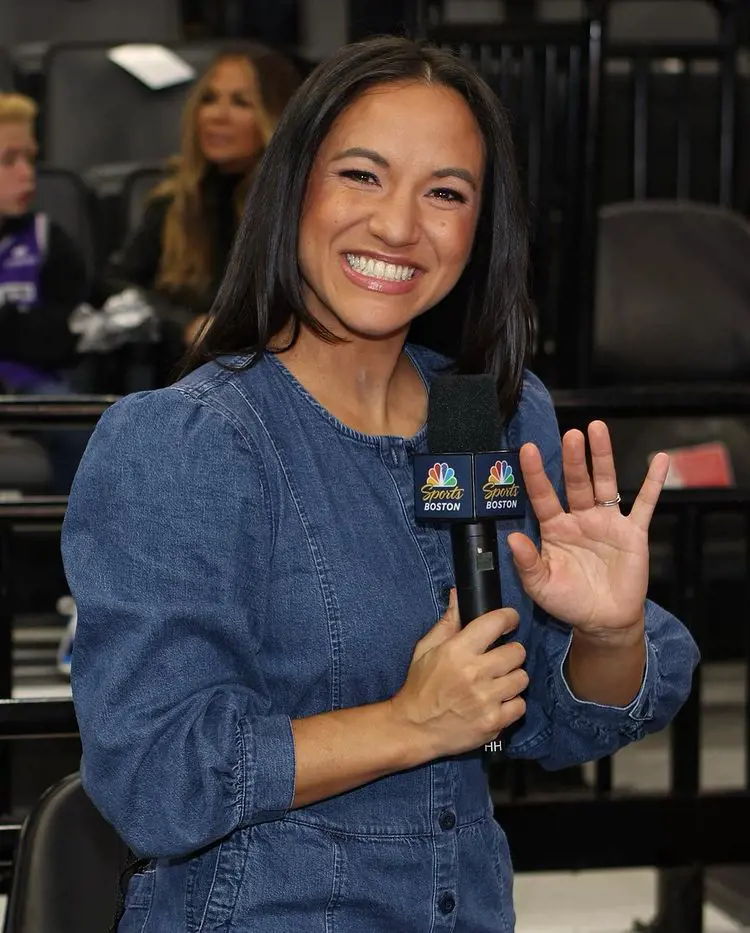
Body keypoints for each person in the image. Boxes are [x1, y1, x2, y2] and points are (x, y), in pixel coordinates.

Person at [61, 37, 699, 932]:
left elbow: (551, 720)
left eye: (445, 192)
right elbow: (156, 776)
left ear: (480, 228)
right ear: (294, 189)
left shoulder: (496, 420)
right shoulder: (188, 441)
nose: (400, 226)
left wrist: (607, 631)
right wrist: (411, 721)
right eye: (362, 175)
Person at [98, 42, 301, 381]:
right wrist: (182, 324)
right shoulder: (173, 201)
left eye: (241, 102)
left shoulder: (292, 205)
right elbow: (114, 284)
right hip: (181, 376)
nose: (217, 115)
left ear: (275, 116)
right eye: (209, 99)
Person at [0, 91, 89, 492]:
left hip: (29, 389)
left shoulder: (47, 238)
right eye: (8, 160)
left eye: (30, 158)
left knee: (80, 426)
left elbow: (68, 334)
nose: (27, 174)